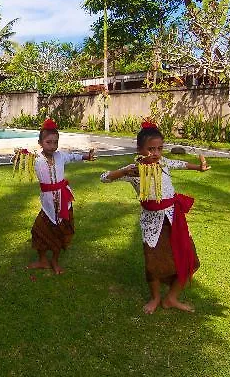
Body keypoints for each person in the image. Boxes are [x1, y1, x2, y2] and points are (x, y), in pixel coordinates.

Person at [100, 120, 210, 314]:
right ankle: (156, 298)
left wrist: (198, 168)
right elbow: (104, 177)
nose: (156, 153)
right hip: (152, 222)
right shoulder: (134, 170)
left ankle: (171, 298)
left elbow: (180, 163)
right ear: (139, 149)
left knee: (189, 259)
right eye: (151, 149)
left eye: (160, 148)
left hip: (174, 218)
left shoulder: (164, 162)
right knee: (154, 264)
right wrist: (124, 171)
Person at [27, 118, 95, 274]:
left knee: (60, 233)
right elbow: (19, 159)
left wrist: (86, 157)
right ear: (40, 142)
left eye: (55, 142)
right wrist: (20, 155)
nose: (52, 146)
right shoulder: (36, 159)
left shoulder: (60, 156)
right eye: (48, 142)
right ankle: (42, 260)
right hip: (48, 204)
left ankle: (55, 261)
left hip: (64, 201)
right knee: (39, 231)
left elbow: (73, 157)